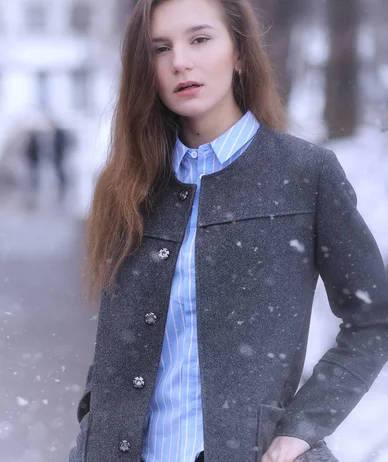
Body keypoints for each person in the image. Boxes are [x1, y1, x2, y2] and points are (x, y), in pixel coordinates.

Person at [69, 0, 388, 461]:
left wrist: (302, 428)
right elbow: (120, 342)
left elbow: (374, 318)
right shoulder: (127, 185)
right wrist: (92, 417)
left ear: (239, 53)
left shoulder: (303, 174)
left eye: (200, 39)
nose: (180, 61)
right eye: (160, 48)